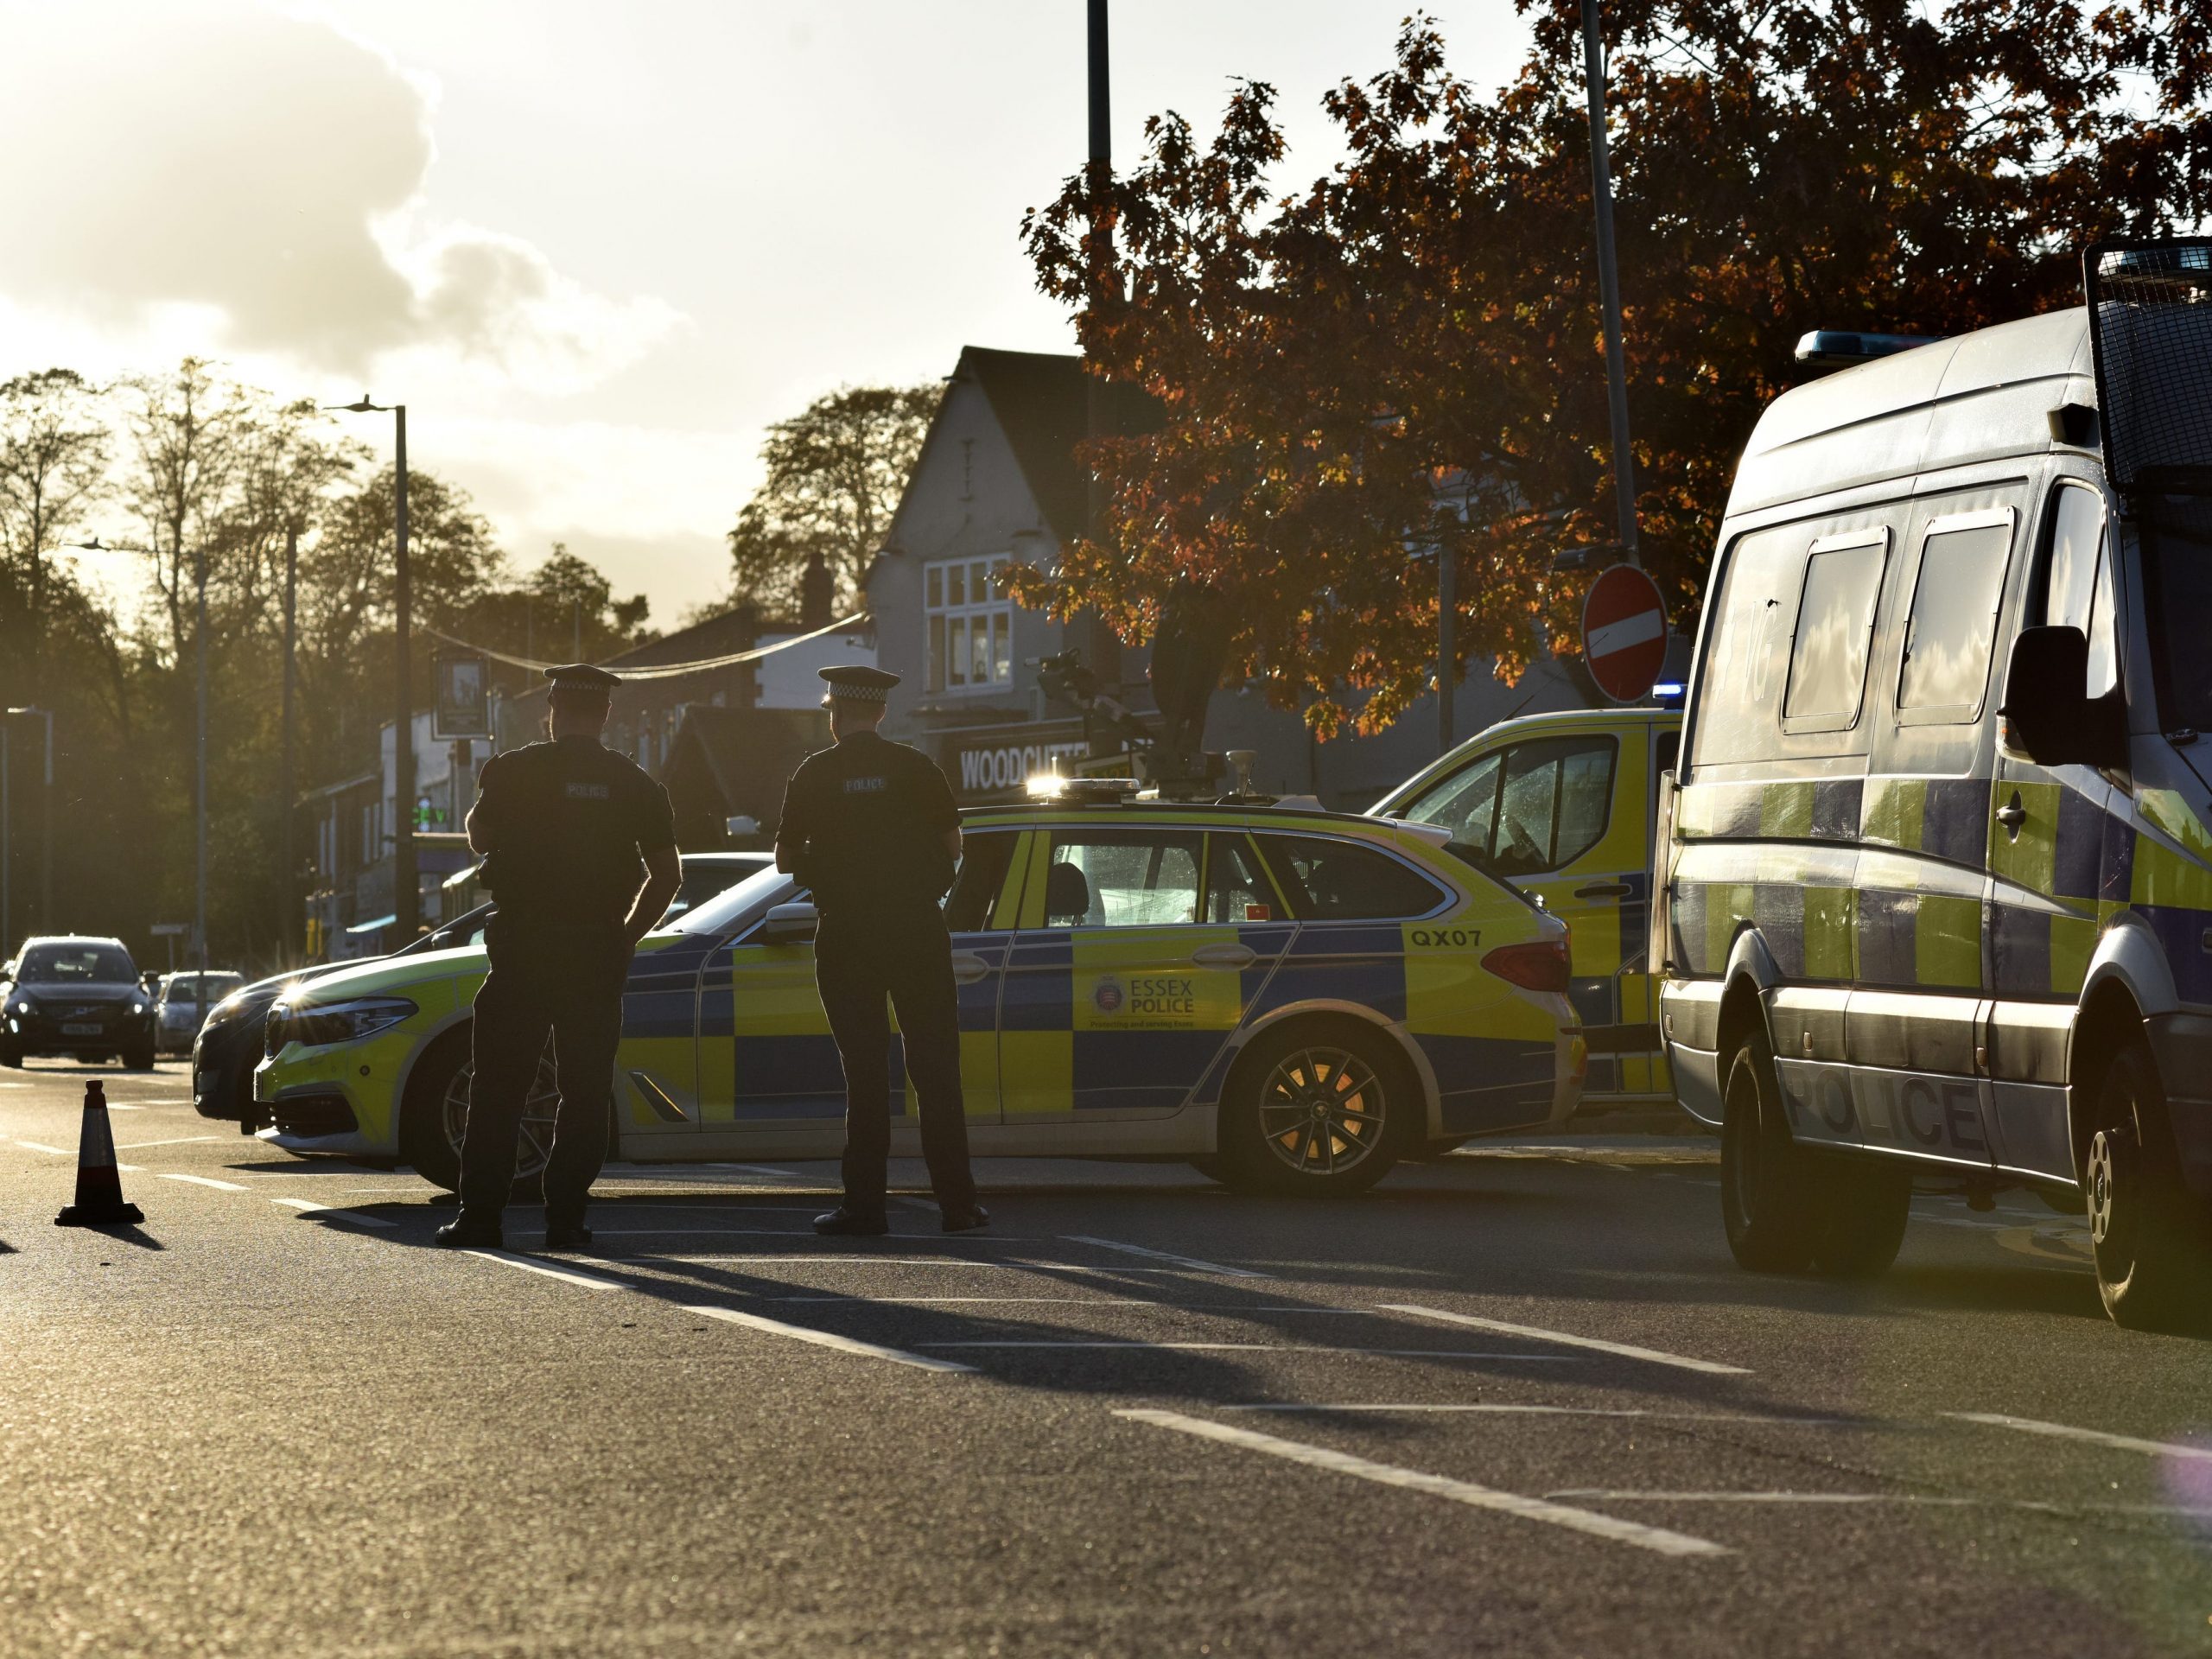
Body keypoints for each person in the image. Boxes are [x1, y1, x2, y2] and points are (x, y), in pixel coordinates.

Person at [433, 663, 681, 1251]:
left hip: (523, 950)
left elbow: (480, 839)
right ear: (606, 716)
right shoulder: (636, 783)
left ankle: (481, 1217)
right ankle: (566, 1219)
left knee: (498, 1087)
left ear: (552, 709)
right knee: (586, 1092)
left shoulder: (513, 770)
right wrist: (624, 937)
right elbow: (667, 876)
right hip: (595, 952)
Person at [775, 665, 986, 1236]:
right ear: (882, 712)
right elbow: (953, 845)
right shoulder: (916, 767)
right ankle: (958, 1205)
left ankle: (864, 1207)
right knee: (937, 1069)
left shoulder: (815, 772)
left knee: (864, 1074)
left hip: (846, 937)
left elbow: (786, 860)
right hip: (917, 931)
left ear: (835, 714)